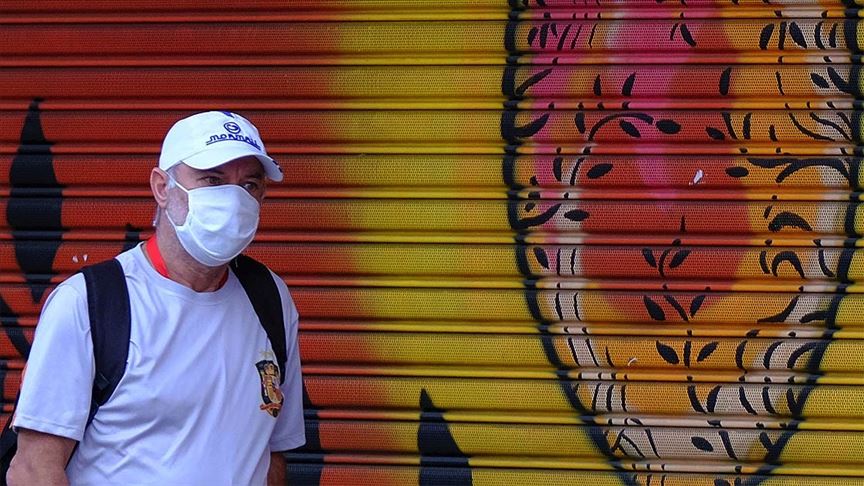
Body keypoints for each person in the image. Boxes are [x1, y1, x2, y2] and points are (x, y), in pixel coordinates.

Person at [7, 111, 305, 485]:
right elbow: (33, 470)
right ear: (162, 187)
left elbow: (271, 453)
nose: (232, 199)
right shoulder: (90, 304)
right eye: (212, 180)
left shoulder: (270, 298)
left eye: (249, 184)